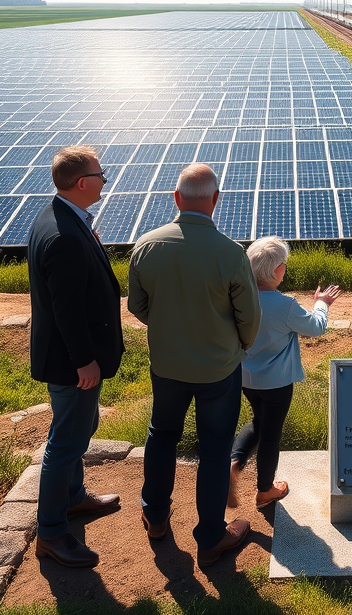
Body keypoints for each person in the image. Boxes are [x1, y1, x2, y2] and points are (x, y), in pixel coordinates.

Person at [128, 163, 262, 569]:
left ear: (176, 198)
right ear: (215, 200)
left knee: (162, 434)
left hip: (166, 364)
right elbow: (249, 319)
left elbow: (137, 306)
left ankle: (154, 515)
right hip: (218, 369)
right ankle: (210, 537)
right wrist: (237, 345)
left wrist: (171, 329)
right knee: (216, 447)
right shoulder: (230, 253)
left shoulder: (147, 245)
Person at [28, 145, 124, 569]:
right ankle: (50, 533)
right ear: (84, 183)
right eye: (101, 174)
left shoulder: (61, 218)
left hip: (69, 357)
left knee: (81, 428)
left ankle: (72, 499)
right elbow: (66, 308)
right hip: (73, 363)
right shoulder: (65, 235)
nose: (105, 179)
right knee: (65, 443)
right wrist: (84, 360)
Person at [229, 236, 342, 510]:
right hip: (277, 383)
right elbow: (315, 327)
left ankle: (232, 463)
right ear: (276, 270)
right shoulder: (284, 305)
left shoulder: (237, 298)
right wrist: (321, 303)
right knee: (271, 433)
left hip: (244, 378)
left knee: (258, 420)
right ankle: (266, 490)